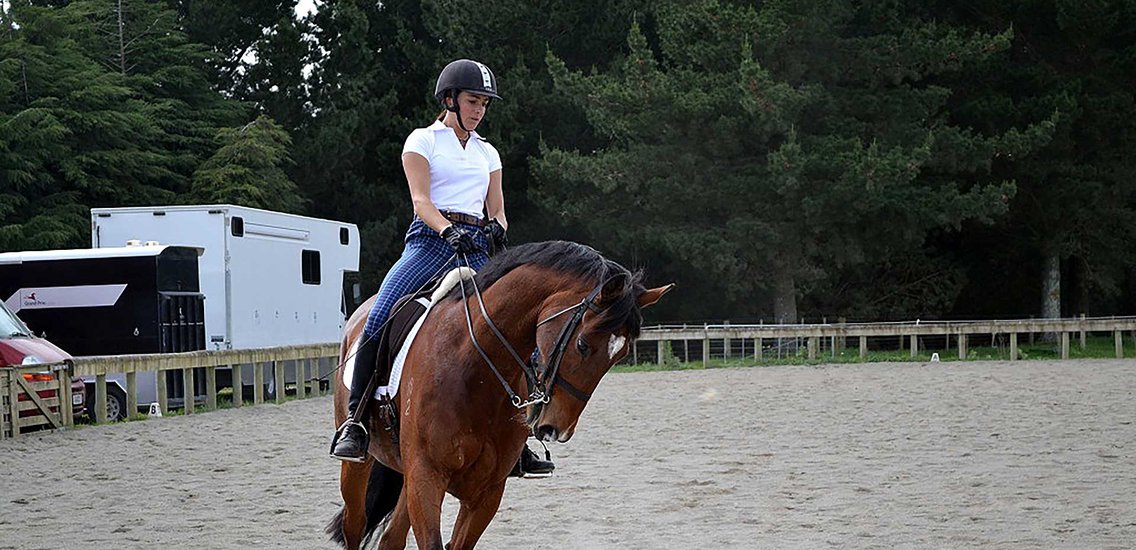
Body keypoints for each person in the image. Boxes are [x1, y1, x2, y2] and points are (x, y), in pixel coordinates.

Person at [330, 59, 555, 477]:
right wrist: (448, 231)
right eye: (473, 101)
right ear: (450, 99)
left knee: (522, 328)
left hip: (477, 247)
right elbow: (421, 201)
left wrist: (495, 230)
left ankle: (522, 437)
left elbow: (499, 209)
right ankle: (356, 422)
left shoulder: (488, 151)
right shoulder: (423, 141)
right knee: (378, 315)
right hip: (430, 243)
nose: (479, 110)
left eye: (485, 104)